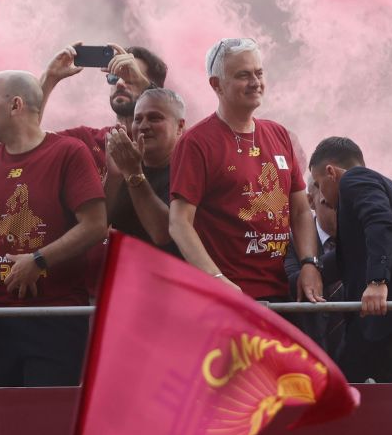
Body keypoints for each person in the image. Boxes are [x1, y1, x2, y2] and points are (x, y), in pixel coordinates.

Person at [0, 70, 107, 387]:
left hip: (55, 318)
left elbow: (95, 225)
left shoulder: (68, 153)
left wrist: (38, 261)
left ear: (16, 105)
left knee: (44, 424)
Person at [169, 37, 322, 304]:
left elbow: (299, 210)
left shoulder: (279, 134)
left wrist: (309, 263)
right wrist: (216, 280)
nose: (255, 82)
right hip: (229, 299)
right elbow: (179, 223)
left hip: (283, 292)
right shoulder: (196, 143)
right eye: (243, 75)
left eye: (259, 73)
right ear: (216, 85)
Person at [310, 136, 392, 382]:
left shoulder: (355, 179)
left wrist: (377, 281)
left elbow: (380, 222)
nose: (319, 194)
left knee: (347, 391)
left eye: (318, 183)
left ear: (330, 172)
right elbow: (355, 256)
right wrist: (310, 267)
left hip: (386, 319)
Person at [40, 42, 169, 176]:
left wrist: (148, 91)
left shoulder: (167, 143)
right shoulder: (86, 140)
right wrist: (49, 79)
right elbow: (26, 141)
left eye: (129, 77)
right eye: (114, 77)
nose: (119, 83)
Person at [103, 88, 185, 256]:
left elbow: (163, 233)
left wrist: (133, 173)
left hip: (171, 275)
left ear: (180, 126)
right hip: (125, 274)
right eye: (137, 119)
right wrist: (114, 176)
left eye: (155, 118)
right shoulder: (126, 165)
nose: (143, 126)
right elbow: (96, 225)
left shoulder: (189, 169)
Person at [285, 172, 343, 352]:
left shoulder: (367, 241)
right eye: (329, 205)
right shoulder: (292, 243)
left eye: (345, 205)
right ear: (311, 201)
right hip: (310, 351)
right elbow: (293, 282)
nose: (339, 212)